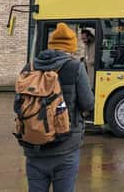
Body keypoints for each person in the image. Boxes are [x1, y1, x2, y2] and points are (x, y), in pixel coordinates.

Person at [23, 22, 95, 192]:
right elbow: (88, 103)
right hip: (65, 147)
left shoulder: (30, 67)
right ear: (70, 47)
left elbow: (19, 104)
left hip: (34, 147)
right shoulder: (75, 67)